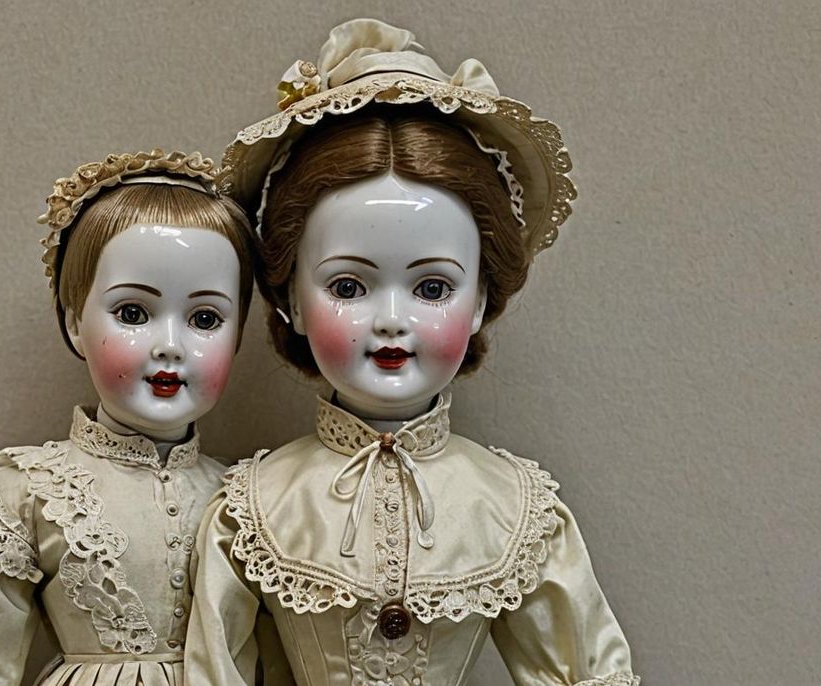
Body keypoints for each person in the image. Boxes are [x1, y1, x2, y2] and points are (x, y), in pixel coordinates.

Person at [186, 20, 639, 685]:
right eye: (348, 287)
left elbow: (587, 670)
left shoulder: (512, 506)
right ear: (291, 300)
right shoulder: (253, 506)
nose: (392, 322)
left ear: (480, 299)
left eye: (432, 288)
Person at [0, 150, 255, 686]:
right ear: (74, 324)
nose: (170, 346)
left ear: (239, 333)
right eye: (133, 313)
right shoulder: (29, 492)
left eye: (205, 319)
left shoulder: (249, 497)